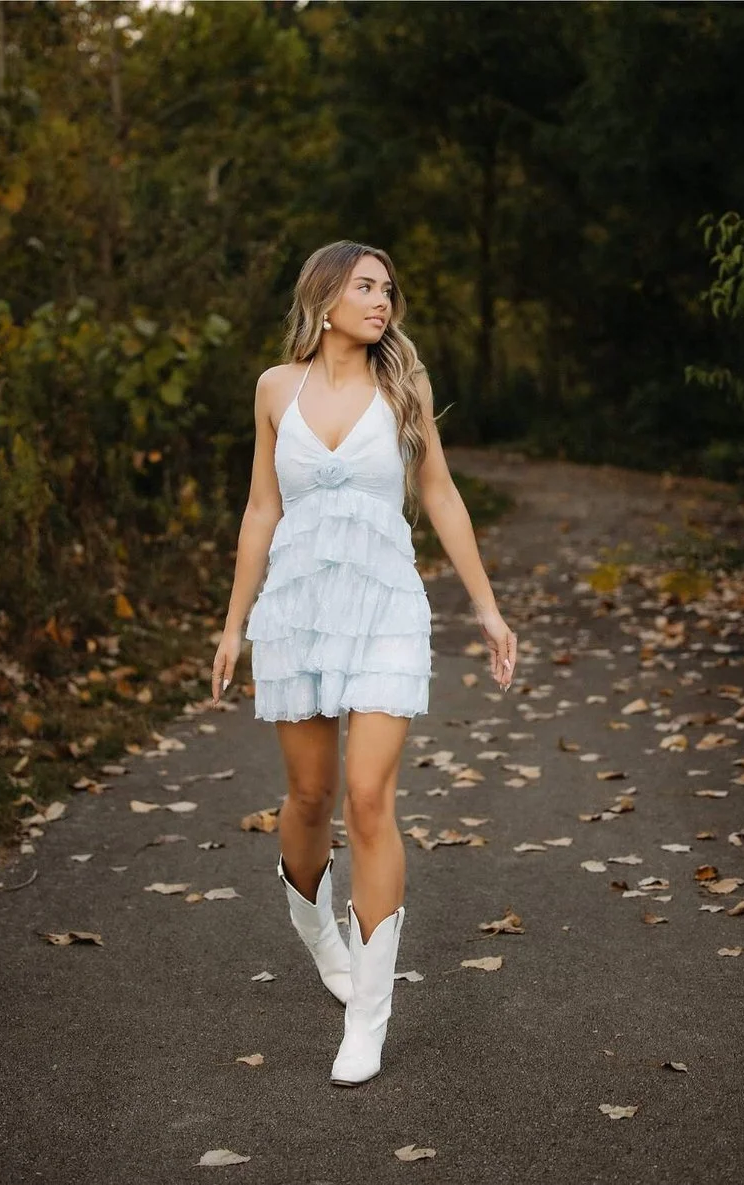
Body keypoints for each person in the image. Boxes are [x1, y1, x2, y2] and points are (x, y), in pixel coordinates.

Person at [209, 240, 519, 1087]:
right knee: (309, 795)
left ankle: (368, 1017)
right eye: (366, 285)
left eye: (388, 287)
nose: (382, 300)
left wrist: (486, 606)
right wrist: (233, 625)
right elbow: (260, 510)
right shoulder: (277, 388)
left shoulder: (403, 385)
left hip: (386, 604)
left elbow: (441, 494)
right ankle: (319, 933)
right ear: (325, 296)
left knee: (369, 795)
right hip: (297, 610)